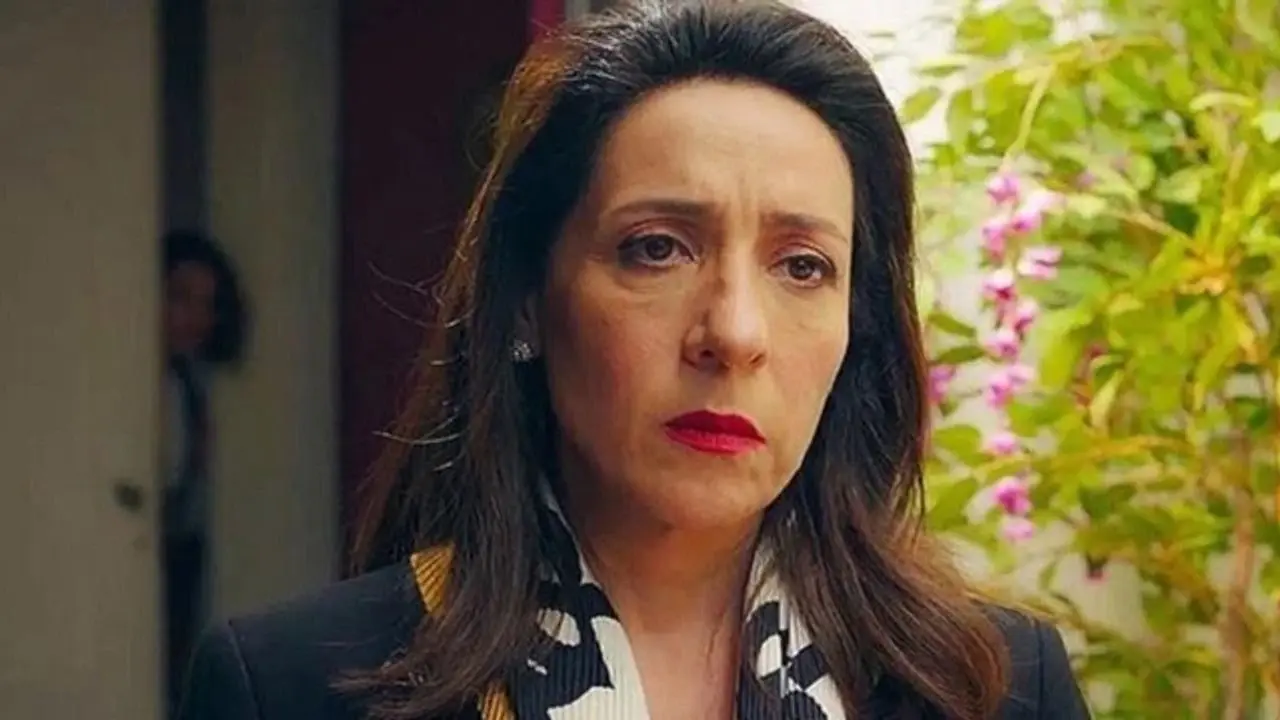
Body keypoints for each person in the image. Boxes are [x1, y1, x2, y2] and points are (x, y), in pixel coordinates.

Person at [179, 2, 1090, 718]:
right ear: (529, 300)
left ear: (859, 330)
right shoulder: (293, 686)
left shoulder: (992, 687)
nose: (734, 332)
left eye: (803, 266)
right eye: (657, 248)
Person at [162, 230, 247, 716]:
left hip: (183, 547)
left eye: (207, 305)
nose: (195, 318)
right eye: (180, 298)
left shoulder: (191, 379)